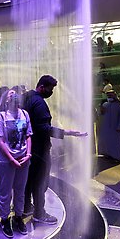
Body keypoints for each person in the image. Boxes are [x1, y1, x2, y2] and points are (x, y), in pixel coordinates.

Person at [22, 75, 87, 224]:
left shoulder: (27, 97)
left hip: (28, 149)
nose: (52, 92)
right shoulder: (39, 103)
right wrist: (68, 132)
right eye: (51, 89)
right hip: (40, 149)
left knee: (29, 180)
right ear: (42, 87)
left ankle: (26, 207)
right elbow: (44, 128)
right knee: (41, 182)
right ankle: (39, 213)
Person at [0, 88, 33, 238]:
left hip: (23, 158)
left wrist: (28, 154)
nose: (14, 95)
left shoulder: (25, 114)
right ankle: (4, 219)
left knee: (20, 190)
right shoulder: (1, 116)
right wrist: (11, 158)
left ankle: (18, 216)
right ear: (6, 99)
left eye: (15, 93)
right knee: (5, 191)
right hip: (6, 160)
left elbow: (28, 135)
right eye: (10, 94)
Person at [97, 89, 120, 163]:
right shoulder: (105, 104)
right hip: (106, 127)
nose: (109, 96)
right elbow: (101, 115)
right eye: (108, 95)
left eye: (111, 95)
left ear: (115, 95)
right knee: (106, 141)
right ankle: (107, 154)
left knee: (115, 142)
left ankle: (117, 157)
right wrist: (101, 111)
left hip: (115, 127)